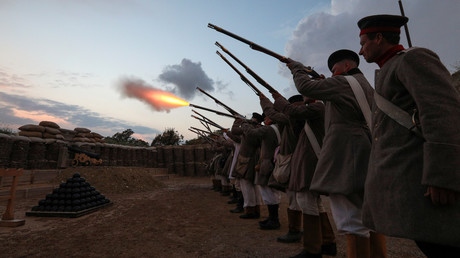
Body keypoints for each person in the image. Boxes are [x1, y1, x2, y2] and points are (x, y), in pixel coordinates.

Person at [357, 14, 460, 256]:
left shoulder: (413, 58)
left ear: (379, 37)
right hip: (412, 178)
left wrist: (443, 176)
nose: (360, 52)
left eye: (363, 43)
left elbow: (443, 115)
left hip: (425, 176)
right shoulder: (389, 68)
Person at [286, 49, 386, 257]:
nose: (332, 74)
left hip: (346, 154)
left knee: (351, 220)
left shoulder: (343, 83)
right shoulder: (364, 84)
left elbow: (305, 86)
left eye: (334, 70)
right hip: (363, 149)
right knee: (369, 218)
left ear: (346, 67)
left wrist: (297, 68)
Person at [263, 92, 337, 257]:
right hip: (310, 161)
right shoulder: (311, 111)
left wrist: (270, 100)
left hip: (310, 162)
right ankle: (327, 242)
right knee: (314, 203)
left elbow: (284, 114)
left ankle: (312, 249)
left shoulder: (314, 109)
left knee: (306, 201)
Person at [242, 110, 282, 229]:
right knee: (272, 192)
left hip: (267, 163)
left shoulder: (268, 129)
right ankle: (272, 218)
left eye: (266, 118)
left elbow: (250, 134)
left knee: (268, 192)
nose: (264, 121)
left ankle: (274, 220)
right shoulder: (279, 128)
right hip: (274, 162)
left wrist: (244, 123)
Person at [231, 113, 264, 219]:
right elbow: (234, 132)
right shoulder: (257, 128)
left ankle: (250, 210)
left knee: (246, 186)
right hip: (253, 159)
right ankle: (255, 209)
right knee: (253, 186)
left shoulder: (251, 129)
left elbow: (234, 131)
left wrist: (239, 122)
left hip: (247, 160)